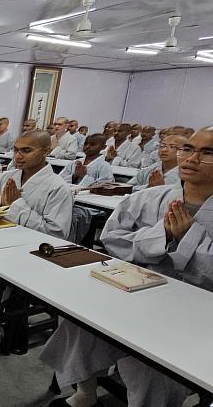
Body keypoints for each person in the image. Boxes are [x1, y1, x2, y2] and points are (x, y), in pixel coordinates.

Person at [41, 127, 213, 407]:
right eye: (189, 149)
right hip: (137, 289)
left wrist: (188, 237)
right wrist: (162, 236)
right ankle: (85, 393)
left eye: (207, 152)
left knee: (152, 363)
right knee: (79, 320)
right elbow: (112, 239)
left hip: (196, 309)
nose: (192, 158)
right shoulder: (149, 198)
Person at [0, 130, 73, 357]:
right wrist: (2, 203)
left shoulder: (57, 187)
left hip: (33, 253)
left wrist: (16, 206)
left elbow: (55, 234)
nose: (18, 156)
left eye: (26, 150)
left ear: (46, 151)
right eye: (16, 150)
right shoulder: (8, 176)